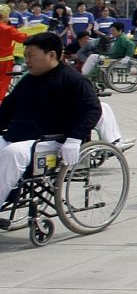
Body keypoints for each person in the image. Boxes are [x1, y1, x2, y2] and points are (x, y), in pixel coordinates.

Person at [0, 33, 100, 224]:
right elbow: (7, 109)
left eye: (31, 55)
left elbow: (92, 109)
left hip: (53, 141)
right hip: (19, 136)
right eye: (26, 55)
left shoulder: (73, 80)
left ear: (51, 55)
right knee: (11, 148)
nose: (27, 60)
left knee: (14, 153)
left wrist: (74, 139)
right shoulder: (28, 80)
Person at [82, 21, 137, 89]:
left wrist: (127, 57)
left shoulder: (123, 39)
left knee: (93, 57)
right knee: (93, 57)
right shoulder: (119, 38)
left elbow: (131, 45)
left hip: (115, 60)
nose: (112, 32)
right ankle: (86, 75)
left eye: (113, 30)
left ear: (120, 31)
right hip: (112, 58)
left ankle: (84, 75)